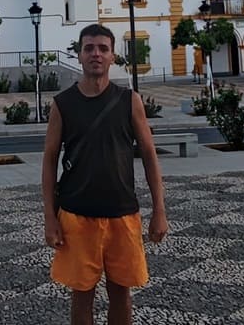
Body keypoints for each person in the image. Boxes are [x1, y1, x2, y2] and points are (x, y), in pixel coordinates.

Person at [42, 23, 168, 325]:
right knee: (81, 295)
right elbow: (49, 161)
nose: (95, 54)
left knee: (121, 292)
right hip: (76, 213)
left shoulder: (129, 101)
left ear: (113, 57)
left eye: (102, 49)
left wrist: (159, 210)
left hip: (122, 212)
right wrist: (49, 217)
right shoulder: (63, 104)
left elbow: (150, 155)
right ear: (79, 55)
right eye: (89, 48)